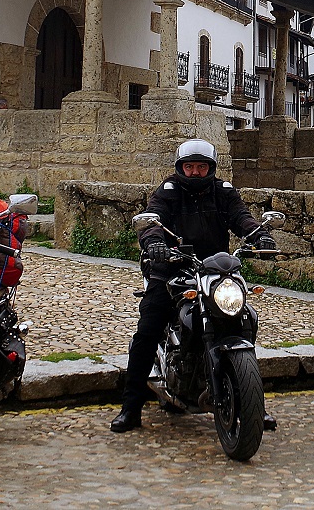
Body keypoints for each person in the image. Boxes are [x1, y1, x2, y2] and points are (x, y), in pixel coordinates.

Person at [109, 138, 276, 433]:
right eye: (190, 167)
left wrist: (257, 235)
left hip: (214, 269)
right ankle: (131, 407)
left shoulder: (223, 191)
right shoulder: (169, 190)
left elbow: (240, 217)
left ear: (210, 168)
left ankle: (250, 402)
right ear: (181, 168)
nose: (195, 172)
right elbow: (152, 222)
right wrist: (156, 244)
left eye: (201, 167)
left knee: (244, 319)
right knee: (148, 328)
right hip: (171, 269)